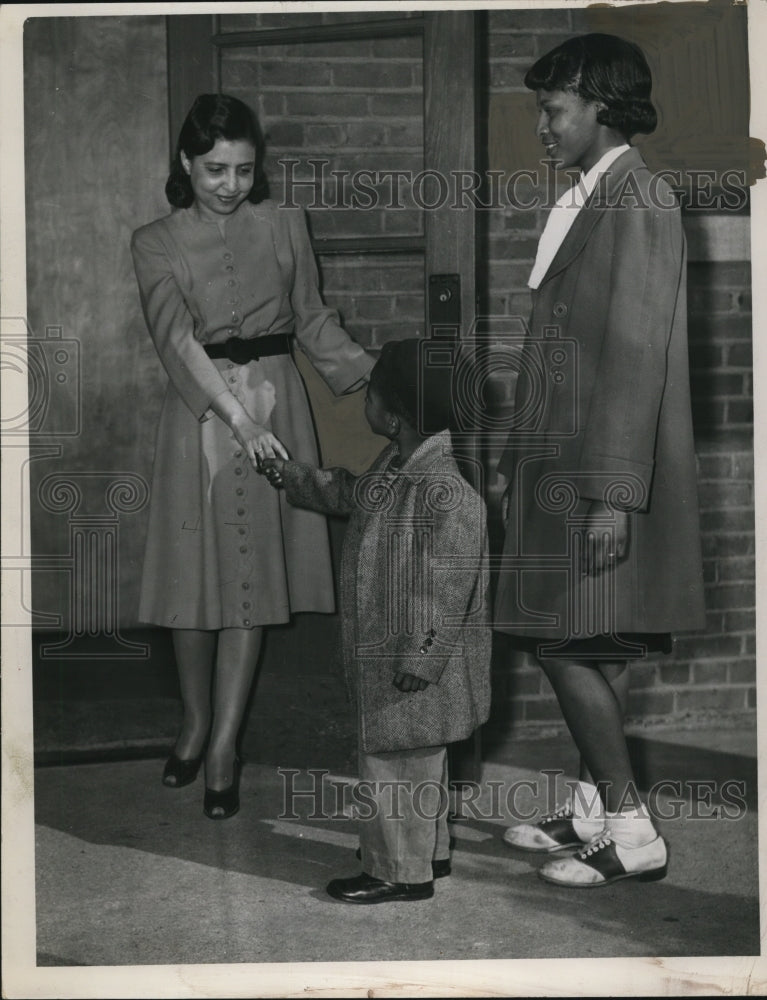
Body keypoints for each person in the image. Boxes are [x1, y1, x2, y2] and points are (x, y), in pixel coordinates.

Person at [493, 34, 705, 885]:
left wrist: (612, 495)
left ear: (600, 107)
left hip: (601, 475)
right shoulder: (590, 196)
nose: (542, 126)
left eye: (553, 110)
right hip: (562, 464)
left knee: (565, 646)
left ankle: (631, 831)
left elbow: (633, 356)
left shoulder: (640, 202)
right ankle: (588, 808)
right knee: (593, 642)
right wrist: (515, 456)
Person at [131, 93, 374, 819]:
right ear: (184, 163)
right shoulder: (155, 240)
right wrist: (235, 416)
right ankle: (195, 723)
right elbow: (175, 340)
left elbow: (313, 320)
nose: (230, 184)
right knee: (193, 585)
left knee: (250, 584)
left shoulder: (284, 223)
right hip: (202, 414)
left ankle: (226, 745)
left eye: (242, 169)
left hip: (279, 401)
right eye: (213, 170)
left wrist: (379, 377)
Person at [261, 339, 492, 903]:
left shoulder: (448, 494)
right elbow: (348, 491)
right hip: (390, 658)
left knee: (396, 766)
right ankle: (426, 855)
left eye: (372, 392)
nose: (365, 399)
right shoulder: (398, 466)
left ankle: (397, 872)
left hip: (413, 664)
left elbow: (448, 589)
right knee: (415, 763)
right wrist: (291, 476)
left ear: (395, 415)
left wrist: (421, 657)